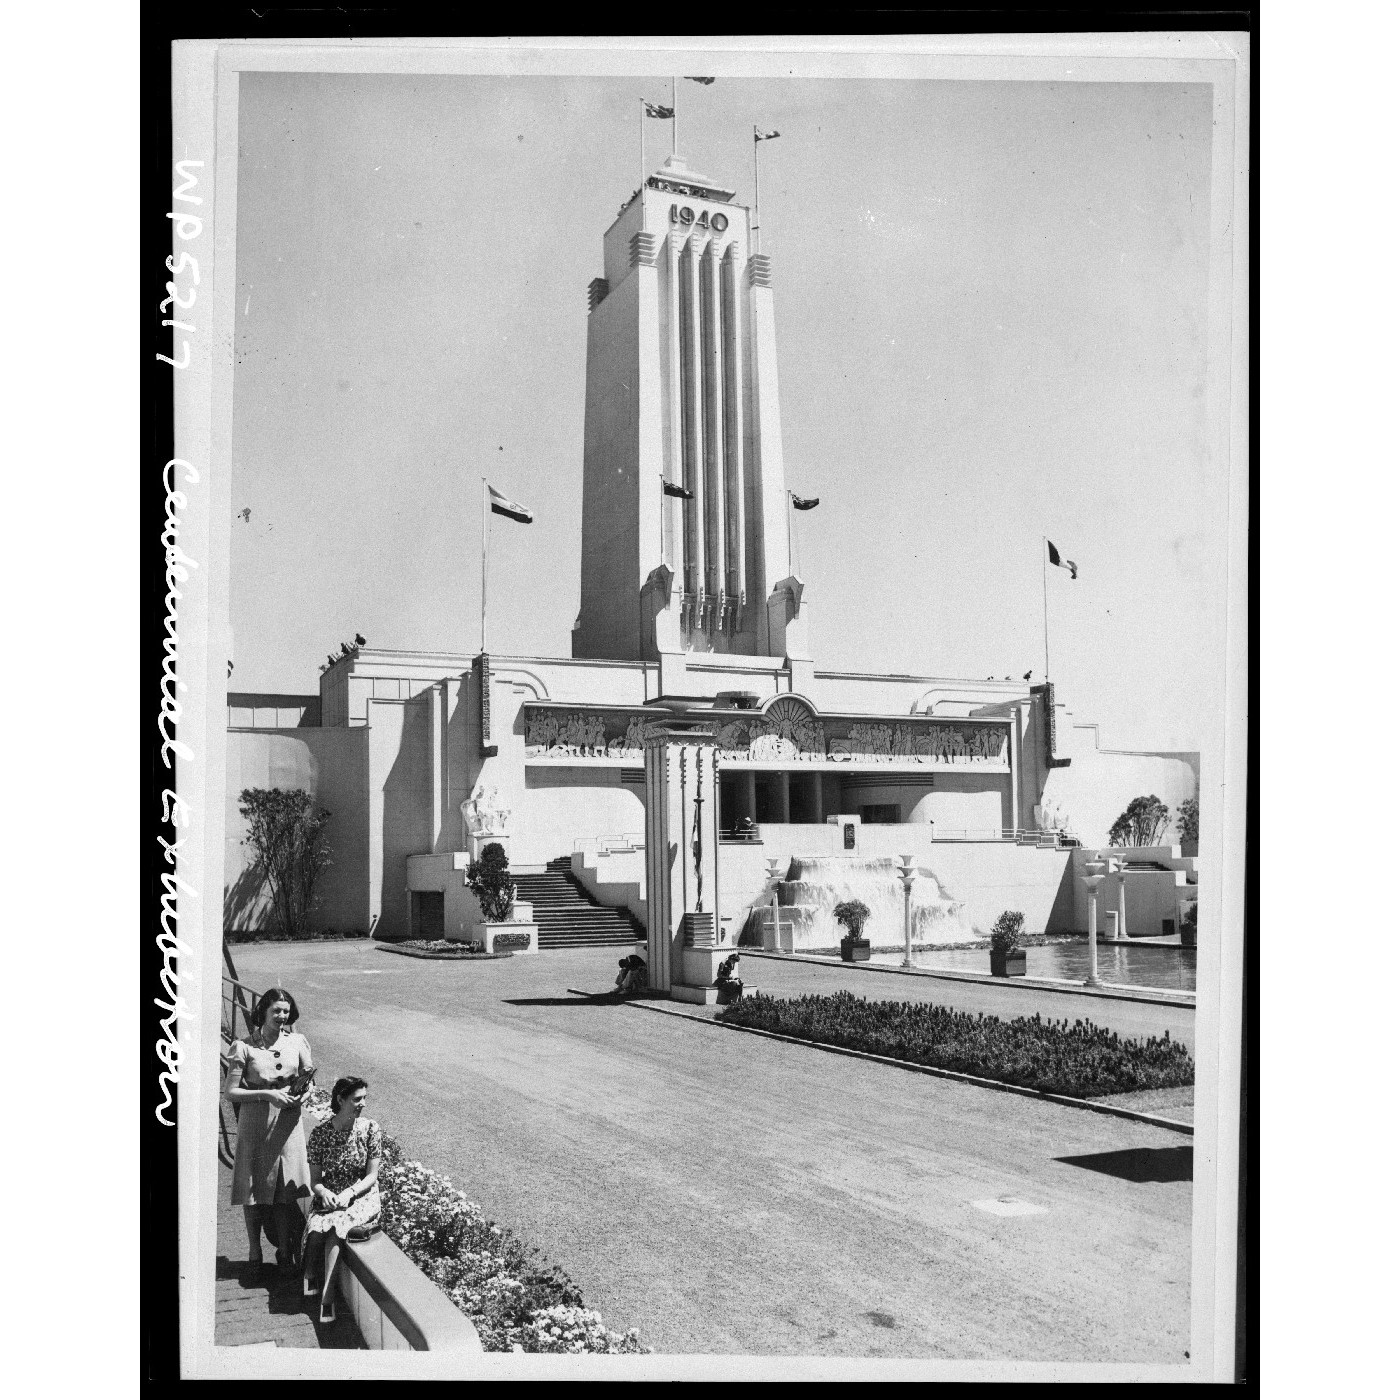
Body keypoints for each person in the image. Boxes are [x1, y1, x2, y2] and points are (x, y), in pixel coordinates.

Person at [222, 987, 315, 1276]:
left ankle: (285, 1251)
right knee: (252, 1188)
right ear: (262, 1011)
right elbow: (231, 1092)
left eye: (286, 1011)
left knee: (283, 1190)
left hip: (287, 1122)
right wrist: (267, 1095)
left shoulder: (298, 1041)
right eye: (276, 1010)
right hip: (256, 1123)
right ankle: (254, 1250)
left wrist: (304, 1093)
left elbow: (308, 1079)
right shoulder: (244, 1046)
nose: (282, 1016)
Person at [302, 1076, 383, 1323]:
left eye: (364, 1098)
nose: (363, 1104)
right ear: (340, 1100)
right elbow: (315, 1181)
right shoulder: (319, 1135)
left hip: (361, 1195)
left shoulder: (370, 1129)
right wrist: (325, 1193)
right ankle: (309, 1273)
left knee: (338, 1228)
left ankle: (327, 1297)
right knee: (317, 1230)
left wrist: (349, 1194)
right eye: (357, 1099)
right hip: (332, 1193)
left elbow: (371, 1176)